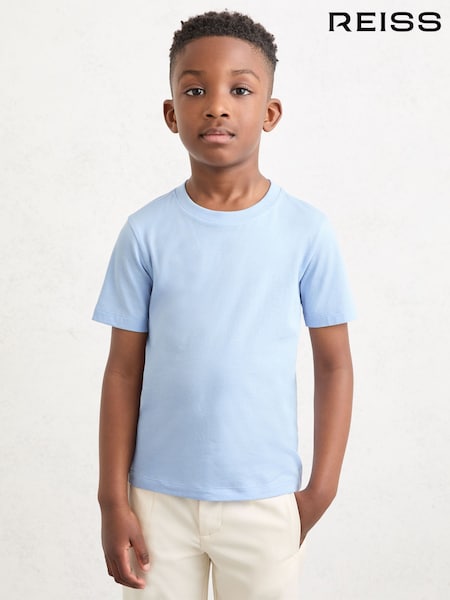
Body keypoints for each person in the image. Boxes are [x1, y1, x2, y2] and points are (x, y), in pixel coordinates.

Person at [93, 10, 355, 600]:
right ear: (171, 114)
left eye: (239, 90)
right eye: (195, 91)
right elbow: (122, 370)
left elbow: (334, 363)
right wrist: (113, 499)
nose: (216, 106)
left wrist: (322, 489)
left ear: (269, 112)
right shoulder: (145, 232)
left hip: (265, 499)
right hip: (156, 499)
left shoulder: (306, 231)